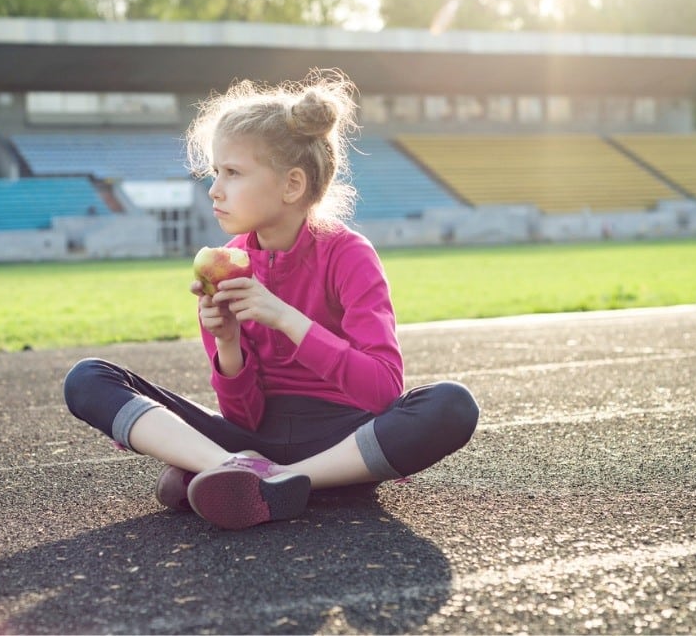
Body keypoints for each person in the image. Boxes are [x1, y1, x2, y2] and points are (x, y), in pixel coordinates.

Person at [62, 69, 479, 530]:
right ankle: (233, 471)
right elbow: (244, 415)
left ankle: (277, 479)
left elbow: (383, 392)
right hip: (248, 440)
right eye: (215, 172)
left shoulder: (350, 255)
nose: (214, 189)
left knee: (451, 405)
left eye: (233, 173)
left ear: (292, 185)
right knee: (88, 379)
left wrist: (286, 319)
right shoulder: (226, 264)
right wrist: (228, 346)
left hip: (340, 440)